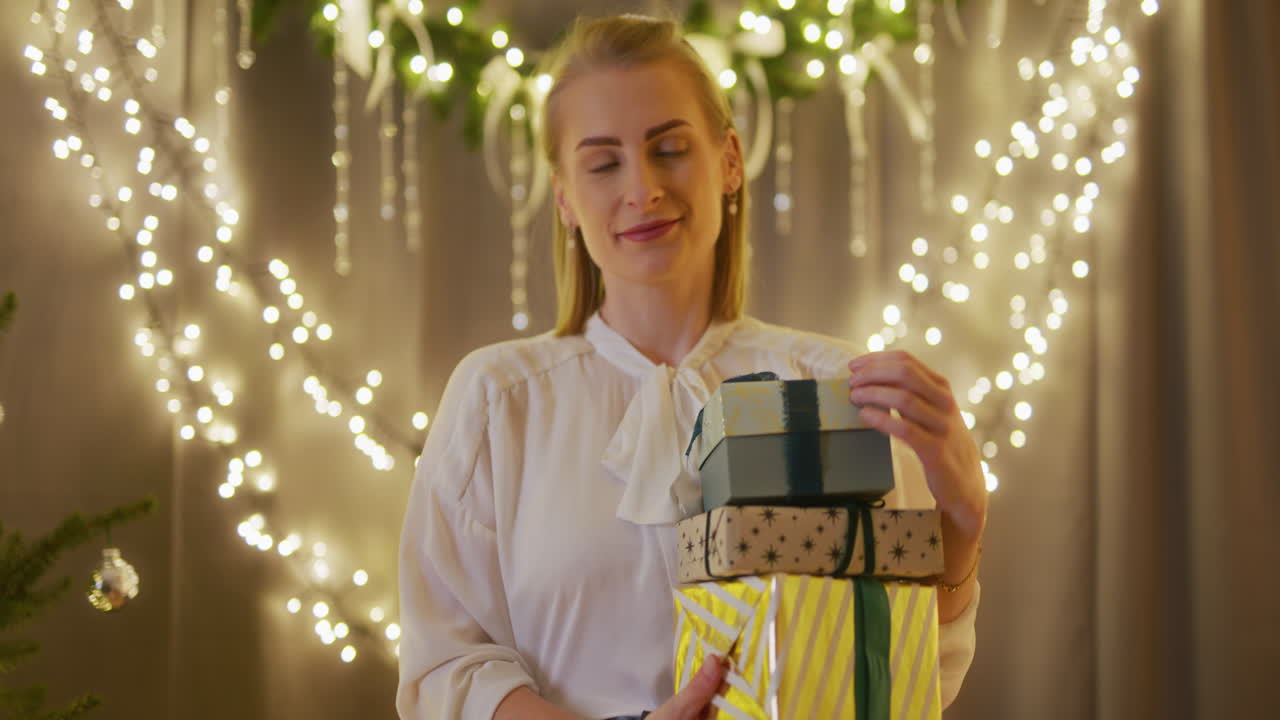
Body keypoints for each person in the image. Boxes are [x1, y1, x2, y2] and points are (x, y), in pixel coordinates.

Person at [397, 14, 985, 720]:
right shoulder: (499, 402)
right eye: (604, 162)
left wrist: (964, 519)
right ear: (565, 199)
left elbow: (911, 669)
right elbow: (445, 667)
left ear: (729, 160)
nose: (642, 188)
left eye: (670, 148)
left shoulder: (833, 388)